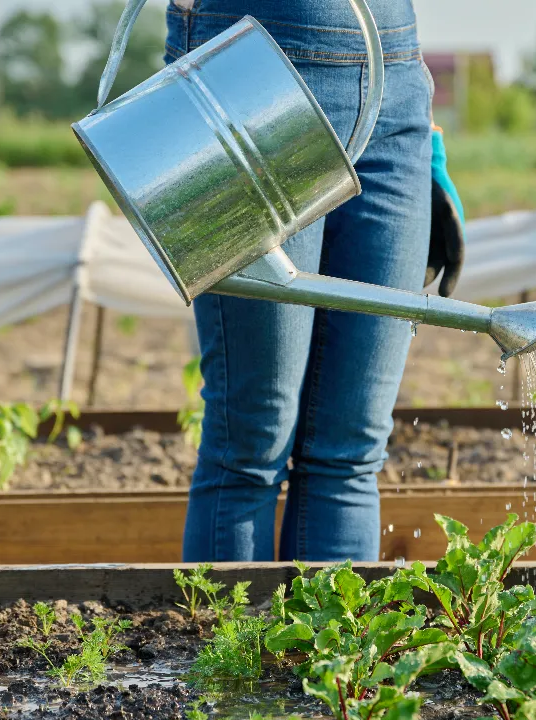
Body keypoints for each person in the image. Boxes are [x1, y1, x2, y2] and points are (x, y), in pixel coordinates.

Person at [165, 0, 464, 563]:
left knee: (351, 447)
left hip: (392, 76)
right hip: (248, 65)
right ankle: (229, 649)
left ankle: (334, 653)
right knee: (252, 439)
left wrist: (427, 128)